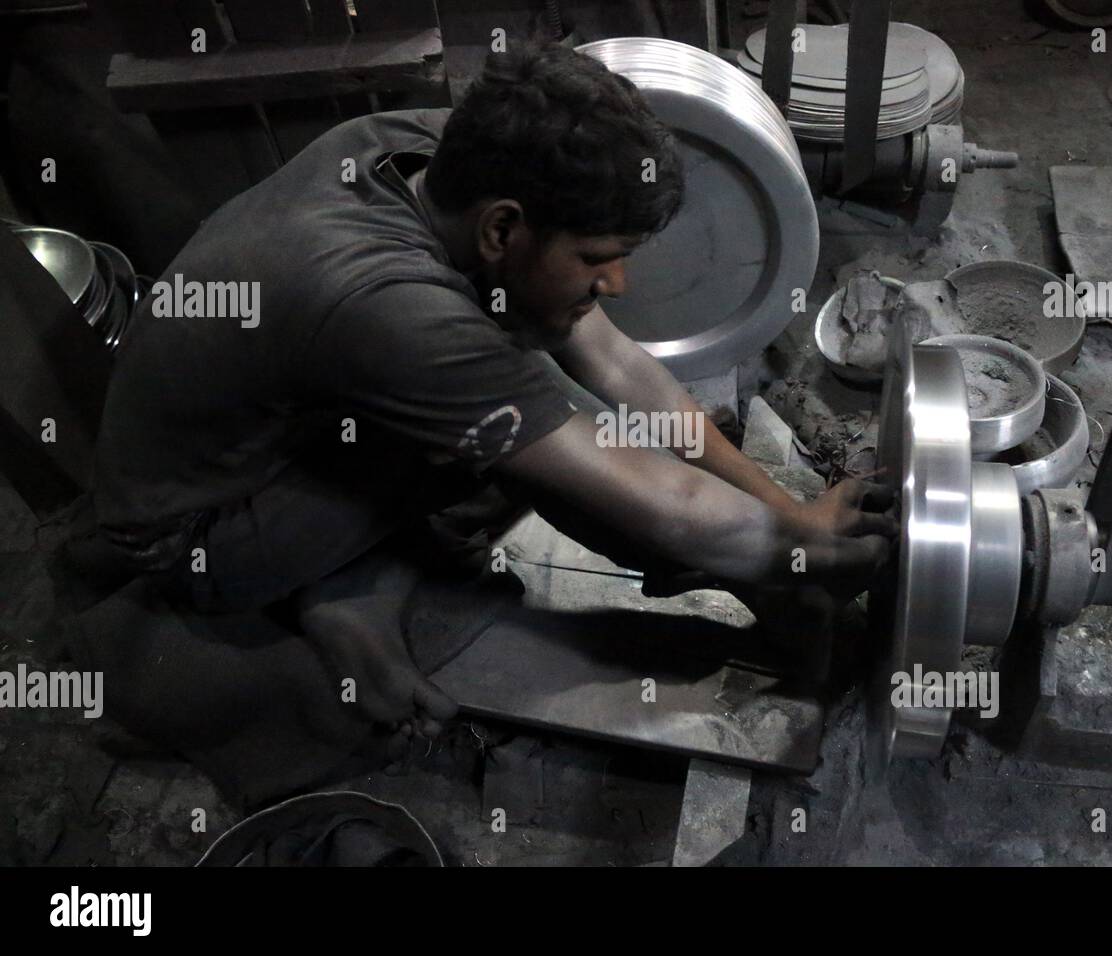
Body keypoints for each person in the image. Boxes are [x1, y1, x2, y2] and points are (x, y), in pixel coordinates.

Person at [89, 42, 896, 755]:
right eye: (598, 259)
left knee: (528, 382)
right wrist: (804, 562)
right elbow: (664, 502)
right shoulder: (390, 306)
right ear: (503, 231)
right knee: (540, 434)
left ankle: (353, 580)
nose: (617, 283)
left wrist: (792, 516)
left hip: (283, 439)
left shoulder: (435, 155)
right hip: (196, 535)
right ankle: (335, 586)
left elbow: (617, 365)